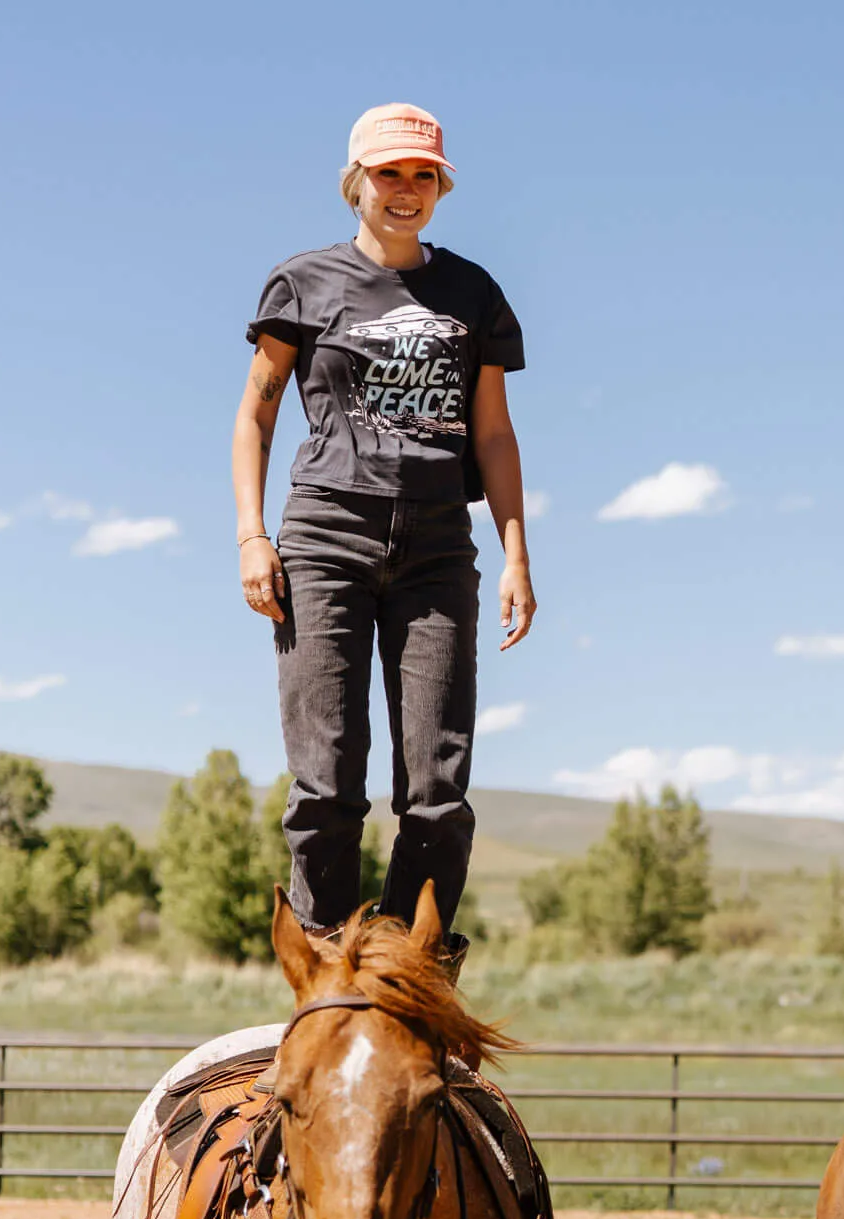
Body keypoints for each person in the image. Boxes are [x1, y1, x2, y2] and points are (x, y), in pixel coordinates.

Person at [232, 102, 534, 951]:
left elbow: (495, 434)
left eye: (423, 175)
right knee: (327, 784)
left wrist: (516, 555)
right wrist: (254, 537)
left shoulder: (472, 293)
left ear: (439, 186)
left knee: (438, 791)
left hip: (439, 548)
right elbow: (253, 418)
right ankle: (326, 970)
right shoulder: (302, 283)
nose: (406, 190)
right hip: (326, 540)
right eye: (389, 173)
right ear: (355, 183)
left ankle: (408, 972)